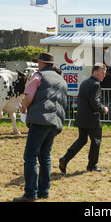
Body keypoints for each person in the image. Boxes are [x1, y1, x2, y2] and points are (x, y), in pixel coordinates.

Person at [13, 52, 68, 202]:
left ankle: (30, 194)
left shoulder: (38, 76)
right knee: (45, 157)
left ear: (42, 63)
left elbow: (28, 97)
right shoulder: (62, 80)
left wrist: (23, 108)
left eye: (38, 62)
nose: (37, 64)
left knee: (30, 156)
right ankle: (44, 191)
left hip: (40, 120)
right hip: (55, 122)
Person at [59, 62, 108, 173]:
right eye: (102, 73)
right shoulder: (95, 84)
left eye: (105, 73)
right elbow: (94, 102)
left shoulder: (85, 82)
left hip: (81, 117)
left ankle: (65, 158)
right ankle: (92, 165)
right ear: (95, 73)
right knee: (96, 141)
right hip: (91, 118)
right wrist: (103, 109)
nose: (104, 75)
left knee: (82, 140)